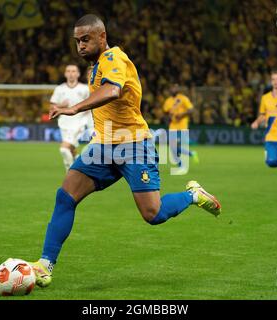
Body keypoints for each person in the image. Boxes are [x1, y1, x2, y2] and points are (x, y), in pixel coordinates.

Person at [30, 14, 222, 287]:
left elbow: (112, 91)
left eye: (86, 39)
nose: (81, 46)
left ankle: (192, 195)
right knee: (65, 197)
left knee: (152, 214)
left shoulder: (114, 59)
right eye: (77, 41)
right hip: (103, 146)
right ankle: (44, 265)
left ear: (102, 37)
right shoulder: (94, 67)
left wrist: (74, 107)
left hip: (134, 145)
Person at [50, 64, 93, 171]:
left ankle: (70, 171)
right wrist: (61, 105)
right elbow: (52, 107)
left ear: (78, 74)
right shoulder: (59, 89)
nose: (71, 73)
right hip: (64, 124)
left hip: (79, 123)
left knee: (64, 149)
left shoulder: (84, 89)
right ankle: (77, 167)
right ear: (65, 74)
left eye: (73, 71)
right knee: (71, 150)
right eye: (68, 71)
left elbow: (92, 104)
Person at [162, 84, 198, 174]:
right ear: (170, 89)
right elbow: (166, 113)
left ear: (178, 89)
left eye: (176, 87)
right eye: (172, 87)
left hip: (182, 127)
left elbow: (191, 110)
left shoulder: (183, 98)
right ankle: (191, 154)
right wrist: (169, 117)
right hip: (172, 127)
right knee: (173, 149)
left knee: (175, 148)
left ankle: (182, 166)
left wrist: (182, 115)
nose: (174, 89)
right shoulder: (168, 101)